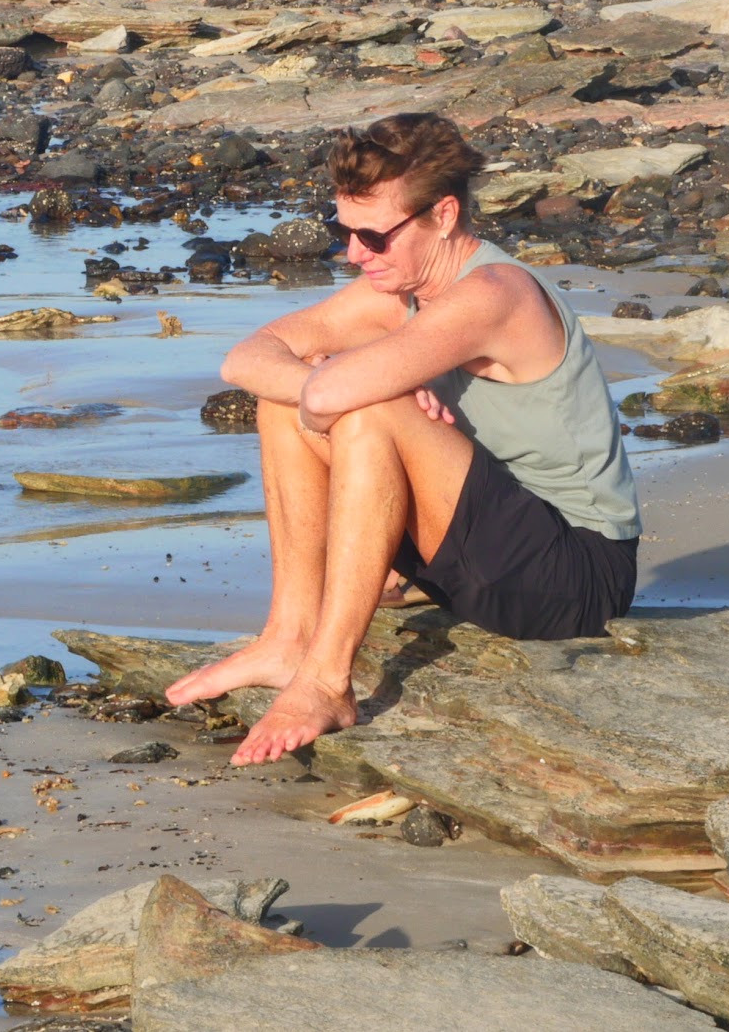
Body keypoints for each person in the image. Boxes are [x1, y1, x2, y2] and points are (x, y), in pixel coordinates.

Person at [166, 113, 640, 765]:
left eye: (373, 236)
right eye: (342, 230)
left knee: (367, 410)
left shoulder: (496, 293)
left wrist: (353, 384)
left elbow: (330, 398)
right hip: (485, 548)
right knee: (283, 404)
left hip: (573, 576)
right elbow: (245, 359)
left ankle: (327, 680)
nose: (353, 254)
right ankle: (288, 637)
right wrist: (331, 379)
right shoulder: (400, 292)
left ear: (443, 215)